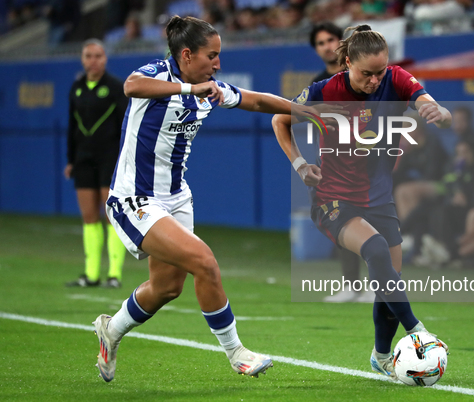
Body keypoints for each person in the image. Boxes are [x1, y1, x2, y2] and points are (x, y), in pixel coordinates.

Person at [92, 15, 331, 382]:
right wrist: (189, 91)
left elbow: (255, 101)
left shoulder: (211, 87)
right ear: (187, 55)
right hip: (135, 199)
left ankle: (111, 330)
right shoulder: (158, 74)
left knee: (167, 287)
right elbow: (131, 86)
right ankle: (237, 353)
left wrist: (302, 111)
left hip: (176, 198)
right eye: (212, 55)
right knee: (204, 261)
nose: (218, 64)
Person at [272, 24, 450, 379]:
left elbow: (425, 101)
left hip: (379, 200)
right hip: (332, 198)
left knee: (390, 282)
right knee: (377, 251)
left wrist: (437, 111)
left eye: (379, 72)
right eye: (366, 73)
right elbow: (280, 119)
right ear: (347, 63)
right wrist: (300, 164)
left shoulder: (395, 79)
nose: (374, 80)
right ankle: (418, 332)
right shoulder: (324, 91)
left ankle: (381, 356)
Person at [64, 39, 128, 289]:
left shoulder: (115, 87)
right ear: (82, 59)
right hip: (83, 158)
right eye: (89, 56)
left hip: (109, 158)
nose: (93, 60)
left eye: (98, 56)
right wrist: (71, 159)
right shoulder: (77, 87)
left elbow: (125, 127)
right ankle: (91, 274)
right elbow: (72, 126)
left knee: (111, 214)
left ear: (105, 59)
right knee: (89, 217)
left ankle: (114, 274)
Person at [310, 22, 362, 303]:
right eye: (321, 42)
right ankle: (352, 285)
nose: (327, 46)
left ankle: (379, 288)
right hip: (334, 162)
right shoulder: (319, 85)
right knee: (339, 219)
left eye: (332, 39)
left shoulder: (365, 77)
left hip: (369, 159)